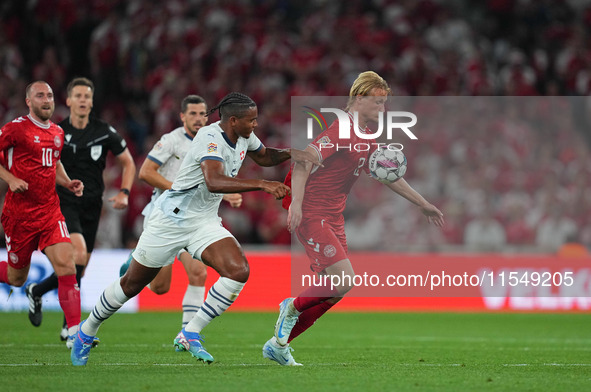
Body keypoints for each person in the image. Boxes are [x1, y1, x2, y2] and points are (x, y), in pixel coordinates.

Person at [70, 92, 321, 366]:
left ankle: (190, 332)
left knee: (238, 271)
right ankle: (87, 331)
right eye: (252, 120)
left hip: (203, 221)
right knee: (132, 284)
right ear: (233, 120)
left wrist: (291, 154)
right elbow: (214, 181)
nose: (256, 125)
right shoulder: (209, 138)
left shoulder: (244, 135)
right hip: (171, 220)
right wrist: (262, 184)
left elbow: (263, 156)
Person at [263, 71, 445, 366]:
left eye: (384, 104)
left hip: (333, 218)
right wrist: (296, 203)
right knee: (344, 279)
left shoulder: (366, 137)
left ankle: (279, 344)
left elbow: (388, 176)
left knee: (334, 293)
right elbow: (302, 161)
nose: (382, 109)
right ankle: (292, 307)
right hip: (313, 213)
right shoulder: (340, 130)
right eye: (378, 102)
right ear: (359, 99)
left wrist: (423, 204)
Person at [24, 77, 136, 344]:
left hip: (92, 204)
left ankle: (37, 291)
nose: (84, 100)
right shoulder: (56, 131)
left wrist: (124, 192)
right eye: (79, 96)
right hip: (63, 202)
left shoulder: (104, 131)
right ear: (69, 101)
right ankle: (71, 329)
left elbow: (129, 163)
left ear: (91, 101)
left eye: (88, 96)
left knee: (79, 268)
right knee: (77, 254)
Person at [119, 94, 243, 331]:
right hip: (165, 217)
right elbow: (146, 172)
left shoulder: (212, 141)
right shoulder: (172, 140)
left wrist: (226, 194)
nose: (198, 119)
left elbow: (209, 181)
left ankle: (188, 335)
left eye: (203, 114)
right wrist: (179, 188)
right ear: (182, 116)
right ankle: (135, 260)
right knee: (159, 288)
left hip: (194, 219)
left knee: (198, 272)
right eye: (193, 114)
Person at [0, 81, 84, 346]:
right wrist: (10, 179)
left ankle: (74, 334)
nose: (46, 100)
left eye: (49, 95)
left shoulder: (58, 132)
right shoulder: (16, 128)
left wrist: (68, 182)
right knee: (16, 279)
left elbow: (54, 163)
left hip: (50, 212)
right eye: (40, 96)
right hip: (19, 216)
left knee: (67, 266)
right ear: (29, 101)